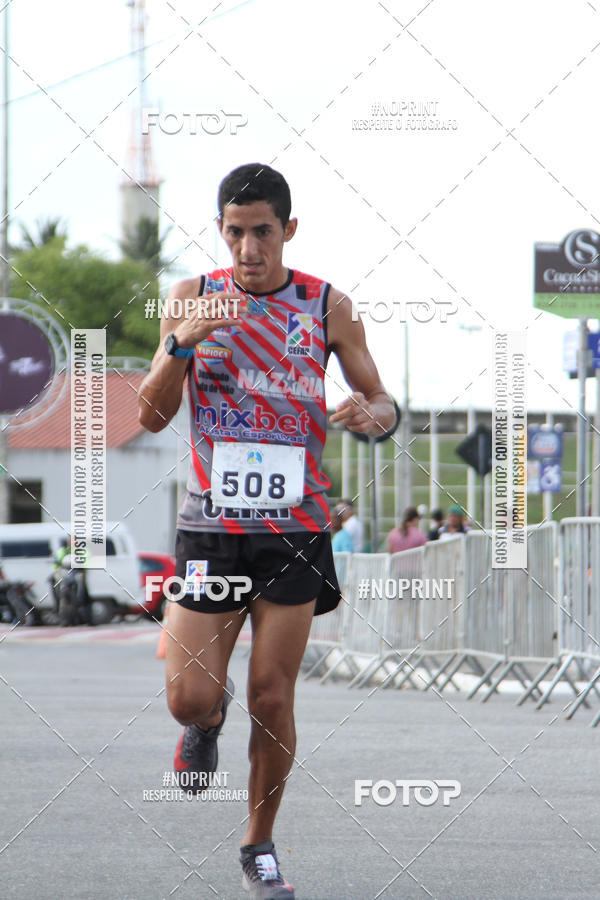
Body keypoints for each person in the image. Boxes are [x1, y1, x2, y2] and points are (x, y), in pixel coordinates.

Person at [138, 163, 397, 899]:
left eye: (261, 232)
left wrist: (369, 413)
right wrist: (180, 345)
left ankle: (259, 845)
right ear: (220, 231)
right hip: (212, 529)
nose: (248, 248)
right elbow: (151, 416)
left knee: (275, 695)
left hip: (297, 528)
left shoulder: (325, 305)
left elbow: (381, 404)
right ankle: (206, 721)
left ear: (288, 228)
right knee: (189, 699)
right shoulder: (191, 298)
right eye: (233, 232)